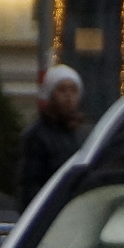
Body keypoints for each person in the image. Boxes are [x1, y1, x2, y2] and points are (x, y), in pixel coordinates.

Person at [16, 64, 85, 206]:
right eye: (62, 90)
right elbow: (29, 184)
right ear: (51, 94)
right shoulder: (37, 135)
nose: (68, 96)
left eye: (73, 90)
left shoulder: (82, 134)